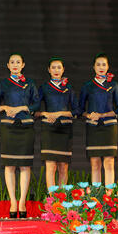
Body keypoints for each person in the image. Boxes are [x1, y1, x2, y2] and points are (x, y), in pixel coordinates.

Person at [0, 53, 40, 218]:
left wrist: (21, 108)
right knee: (9, 166)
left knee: (25, 166)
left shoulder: (29, 83)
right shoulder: (3, 83)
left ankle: (22, 201)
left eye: (18, 62)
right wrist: (4, 107)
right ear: (8, 65)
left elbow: (36, 103)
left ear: (23, 65)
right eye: (12, 62)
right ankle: (13, 201)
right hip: (9, 127)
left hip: (26, 127)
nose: (15, 65)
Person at [78, 53, 118, 186]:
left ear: (108, 67)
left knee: (109, 163)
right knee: (95, 163)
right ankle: (96, 198)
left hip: (109, 127)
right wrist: (88, 115)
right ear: (93, 67)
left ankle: (109, 196)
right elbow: (79, 110)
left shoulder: (113, 85)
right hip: (93, 127)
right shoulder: (87, 86)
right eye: (98, 64)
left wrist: (103, 115)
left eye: (104, 64)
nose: (101, 67)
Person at [36, 57, 79, 191]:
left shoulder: (69, 87)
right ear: (48, 70)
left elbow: (77, 110)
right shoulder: (44, 87)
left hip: (65, 129)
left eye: (59, 67)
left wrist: (60, 113)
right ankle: (52, 202)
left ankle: (62, 201)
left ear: (63, 69)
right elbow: (34, 110)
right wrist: (45, 114)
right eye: (53, 67)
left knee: (63, 166)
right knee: (50, 166)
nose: (56, 70)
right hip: (49, 129)